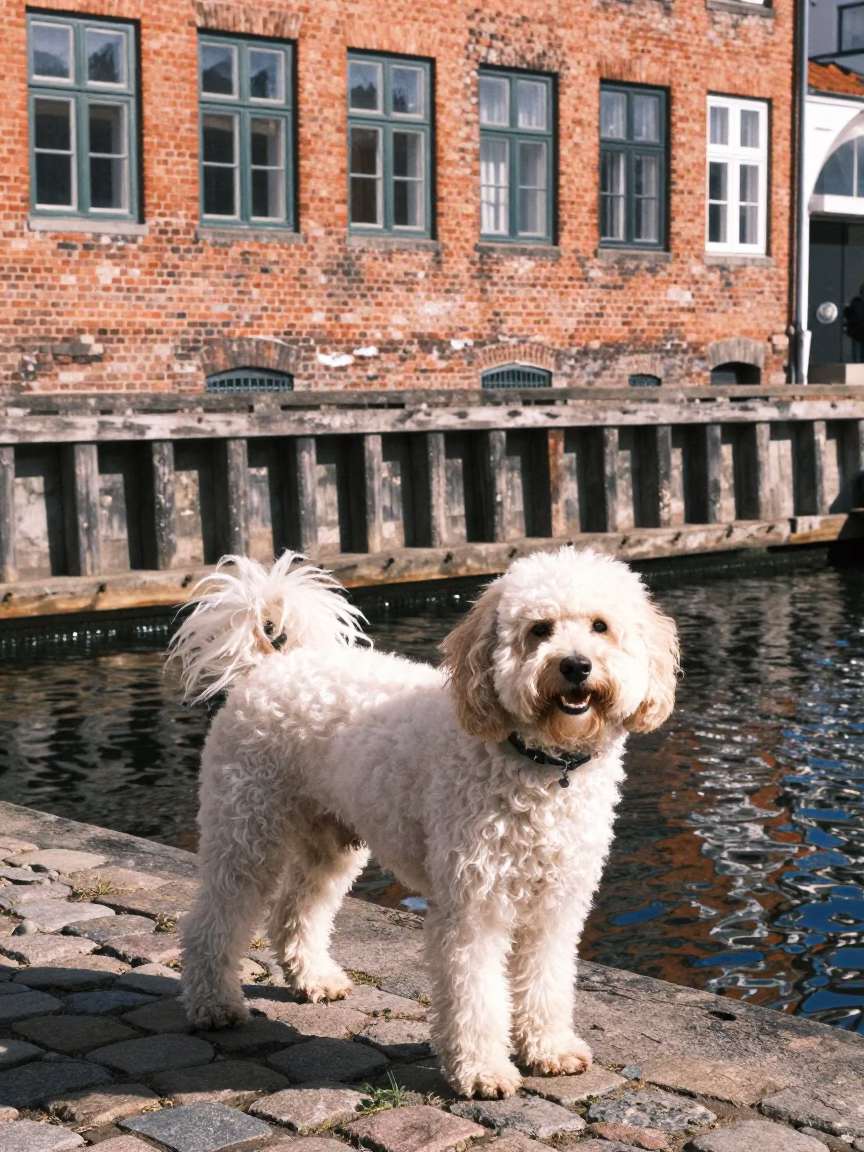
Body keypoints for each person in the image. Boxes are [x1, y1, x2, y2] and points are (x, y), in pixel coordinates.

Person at [844, 284, 864, 362]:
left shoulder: (855, 303)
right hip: (857, 334)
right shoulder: (856, 303)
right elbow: (849, 315)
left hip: (857, 333)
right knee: (857, 359)